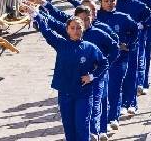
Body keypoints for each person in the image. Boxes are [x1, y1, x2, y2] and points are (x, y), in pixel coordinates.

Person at [32, 12, 109, 141]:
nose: (76, 31)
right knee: (69, 127)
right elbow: (47, 31)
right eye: (72, 28)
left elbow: (104, 63)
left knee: (82, 126)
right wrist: (36, 15)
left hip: (83, 94)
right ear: (67, 30)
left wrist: (92, 76)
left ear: (83, 28)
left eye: (78, 27)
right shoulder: (61, 44)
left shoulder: (90, 48)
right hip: (65, 92)